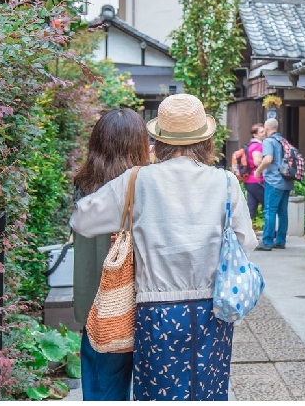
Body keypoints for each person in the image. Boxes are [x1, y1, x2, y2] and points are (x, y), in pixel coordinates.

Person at [70, 93, 257, 401]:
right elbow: (245, 243)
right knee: (206, 392)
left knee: (159, 393)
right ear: (206, 139)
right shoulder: (225, 182)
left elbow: (84, 220)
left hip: (157, 309)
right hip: (213, 310)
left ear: (160, 139)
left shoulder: (138, 180)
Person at [72, 108, 151, 401]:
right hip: (144, 304)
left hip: (98, 307)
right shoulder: (147, 185)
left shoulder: (83, 185)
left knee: (101, 392)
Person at [253, 117, 294, 251]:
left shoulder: (269, 141)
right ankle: (281, 241)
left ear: (266, 128)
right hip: (286, 181)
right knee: (282, 212)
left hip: (274, 180)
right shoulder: (283, 141)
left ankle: (267, 241)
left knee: (270, 211)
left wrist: (258, 171)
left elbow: (268, 159)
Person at [243, 122, 266, 220]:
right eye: (261, 132)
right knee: (268, 206)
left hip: (249, 181)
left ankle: (244, 232)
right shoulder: (257, 146)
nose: (264, 133)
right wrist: (267, 164)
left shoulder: (251, 145)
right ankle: (270, 232)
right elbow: (257, 162)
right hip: (257, 180)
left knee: (251, 209)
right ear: (255, 134)